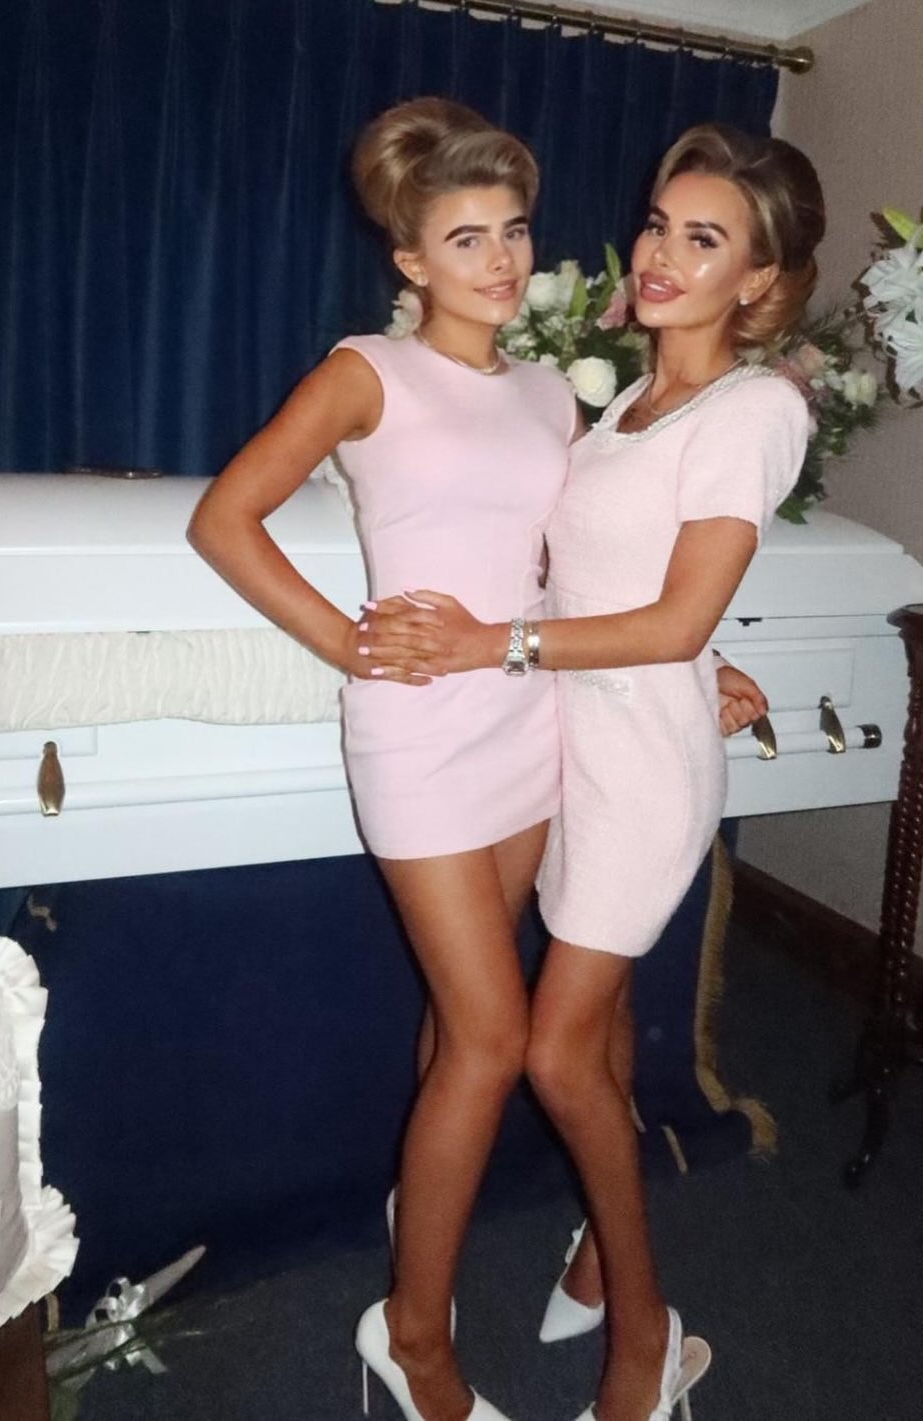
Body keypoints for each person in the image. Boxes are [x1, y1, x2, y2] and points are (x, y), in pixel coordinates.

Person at [188, 100, 765, 1421]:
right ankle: (413, 1337)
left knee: (464, 1026)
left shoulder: (552, 396)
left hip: (527, 719)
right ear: (409, 259)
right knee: (494, 1041)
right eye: (465, 238)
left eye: (512, 231)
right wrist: (348, 641)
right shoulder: (365, 373)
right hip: (421, 738)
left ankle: (426, 1241)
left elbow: (580, 569)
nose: (501, 261)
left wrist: (700, 662)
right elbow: (226, 518)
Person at [360, 123, 825, 1421]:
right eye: (660, 225)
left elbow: (669, 619)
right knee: (600, 1036)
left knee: (559, 1056)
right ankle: (589, 1257)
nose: (661, 253)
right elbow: (629, 586)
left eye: (704, 239)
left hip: (641, 775)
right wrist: (698, 652)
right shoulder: (627, 404)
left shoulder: (757, 409)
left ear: (758, 280)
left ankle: (647, 1335)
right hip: (571, 741)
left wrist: (493, 643)